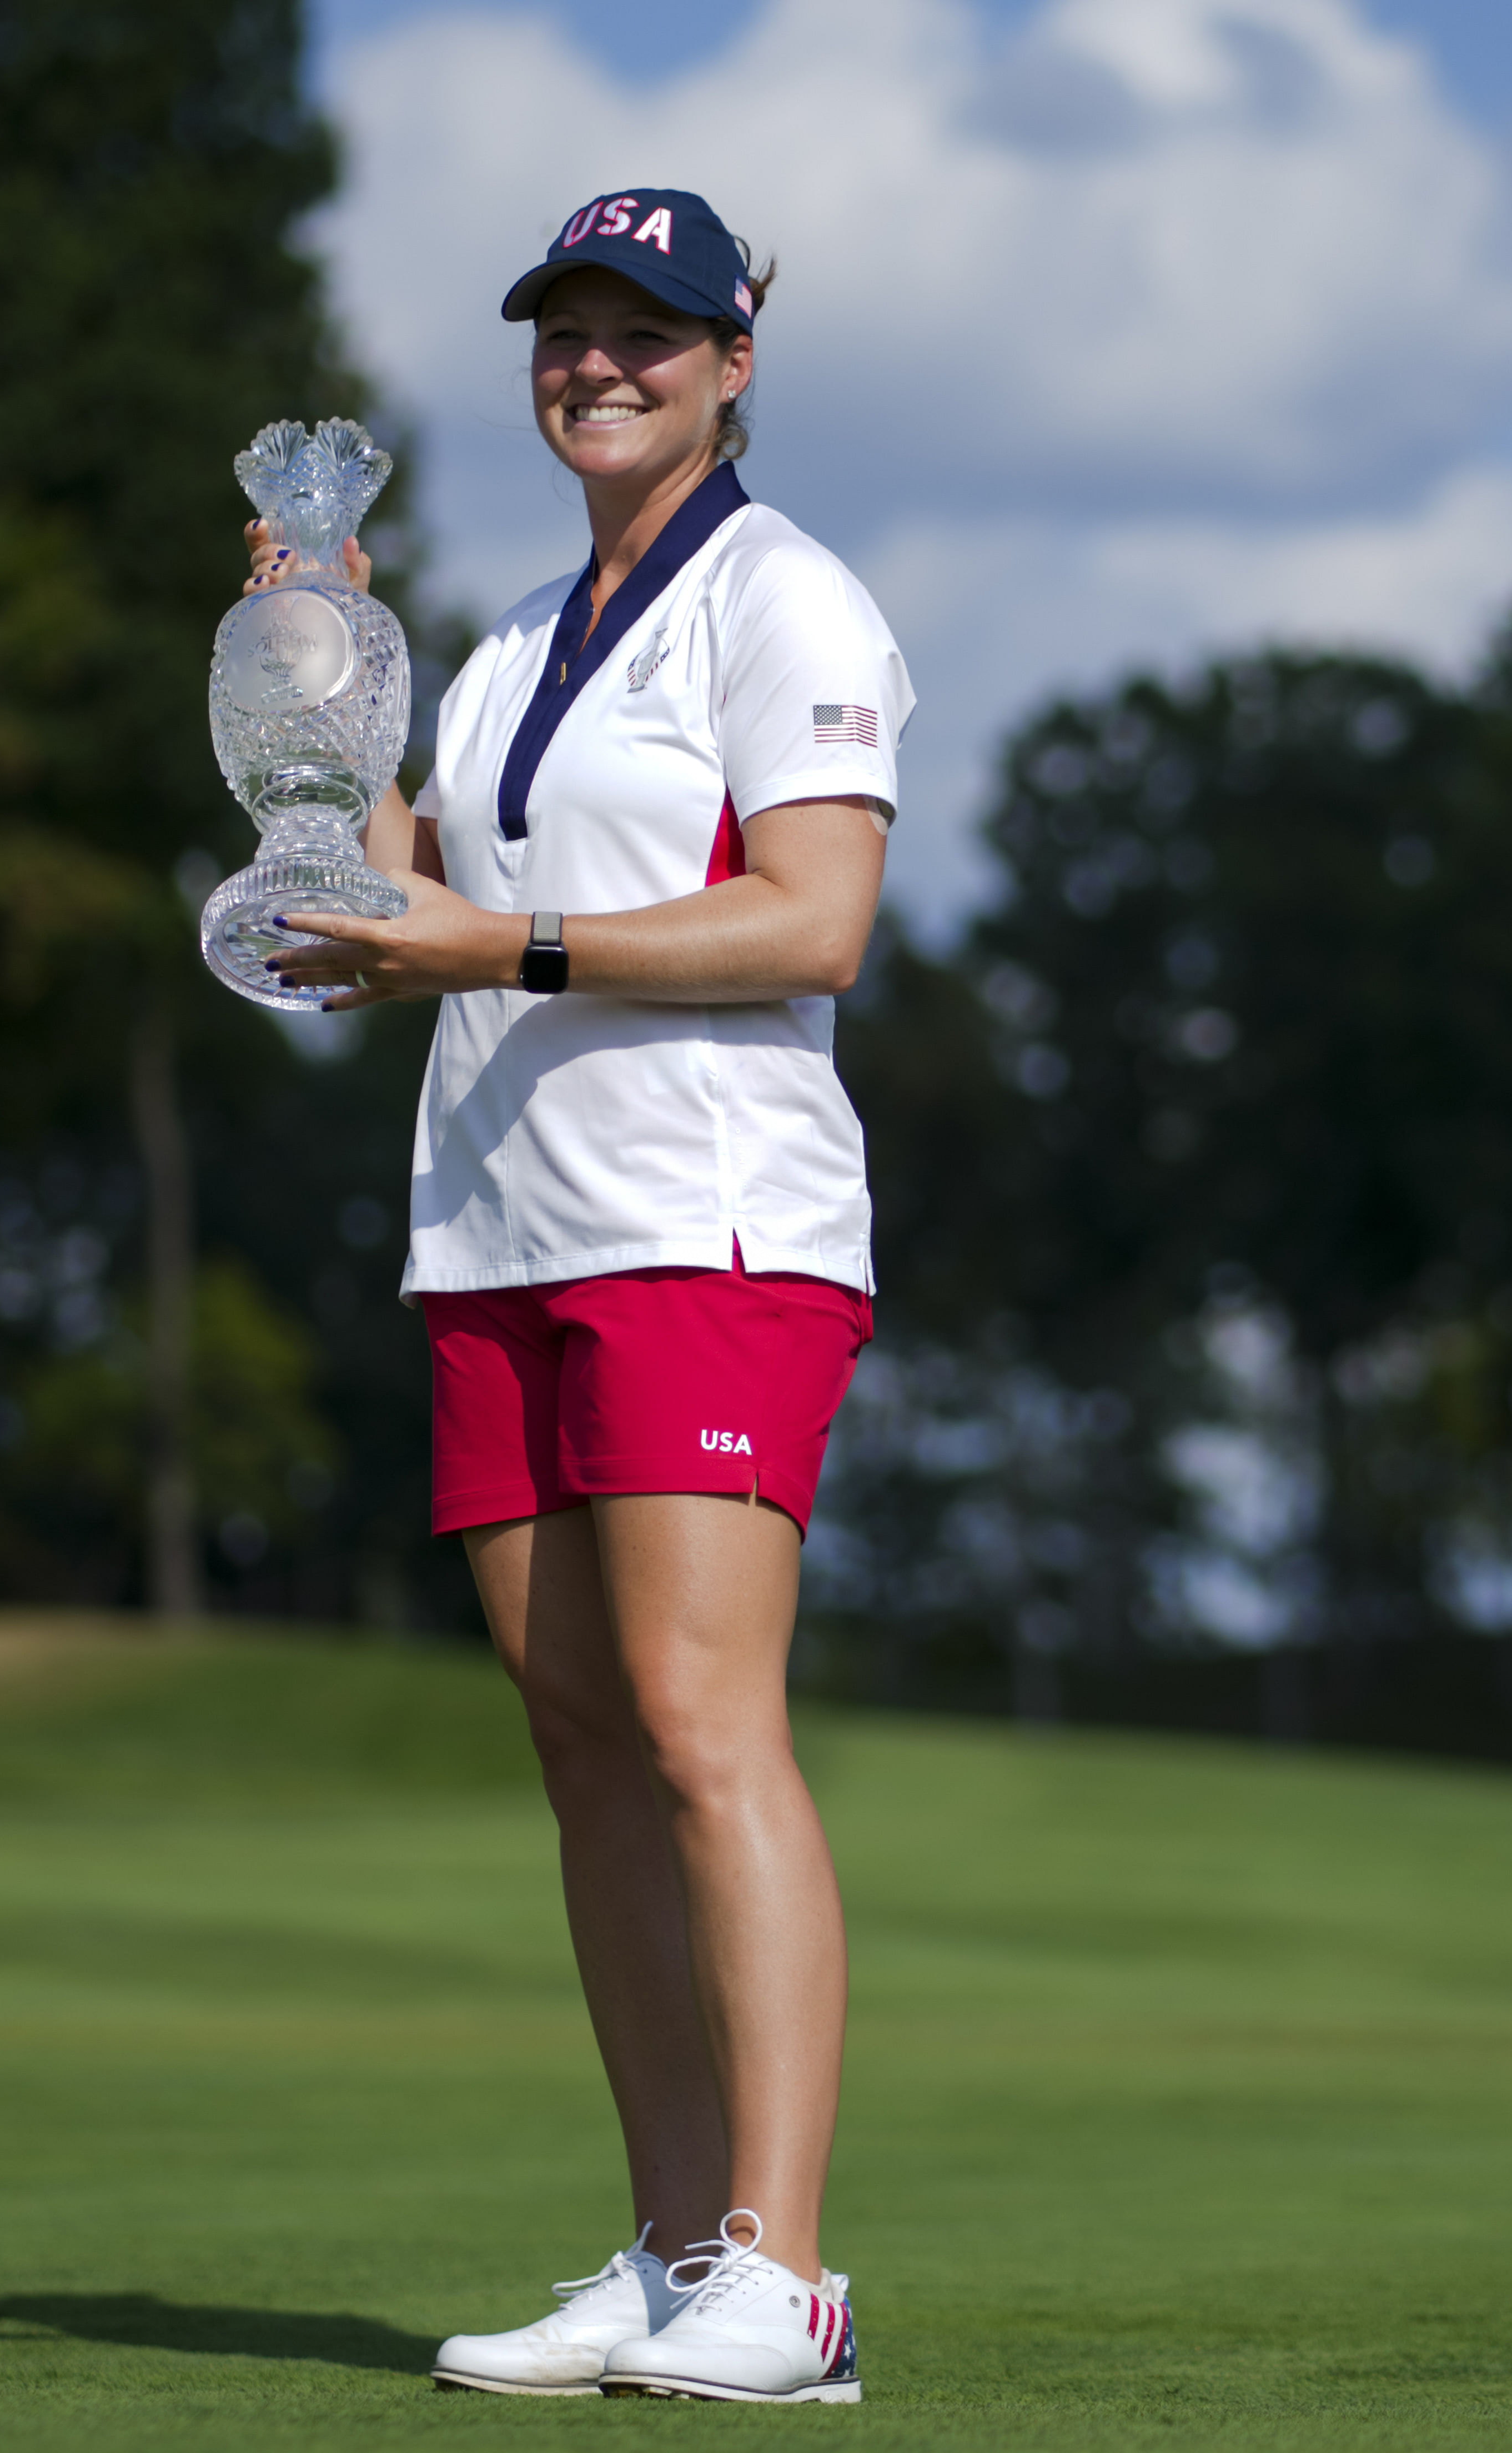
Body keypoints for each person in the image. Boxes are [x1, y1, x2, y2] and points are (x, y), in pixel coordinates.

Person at [256, 187, 908, 2406]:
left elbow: (816, 921)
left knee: (704, 1723)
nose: (597, 363)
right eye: (565, 328)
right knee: (586, 1749)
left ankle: (783, 2280)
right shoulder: (520, 627)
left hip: (707, 1231)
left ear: (734, 363)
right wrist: (315, 687)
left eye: (648, 331)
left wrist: (491, 950)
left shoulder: (785, 595)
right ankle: (664, 2249)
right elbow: (385, 912)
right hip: (501, 1234)